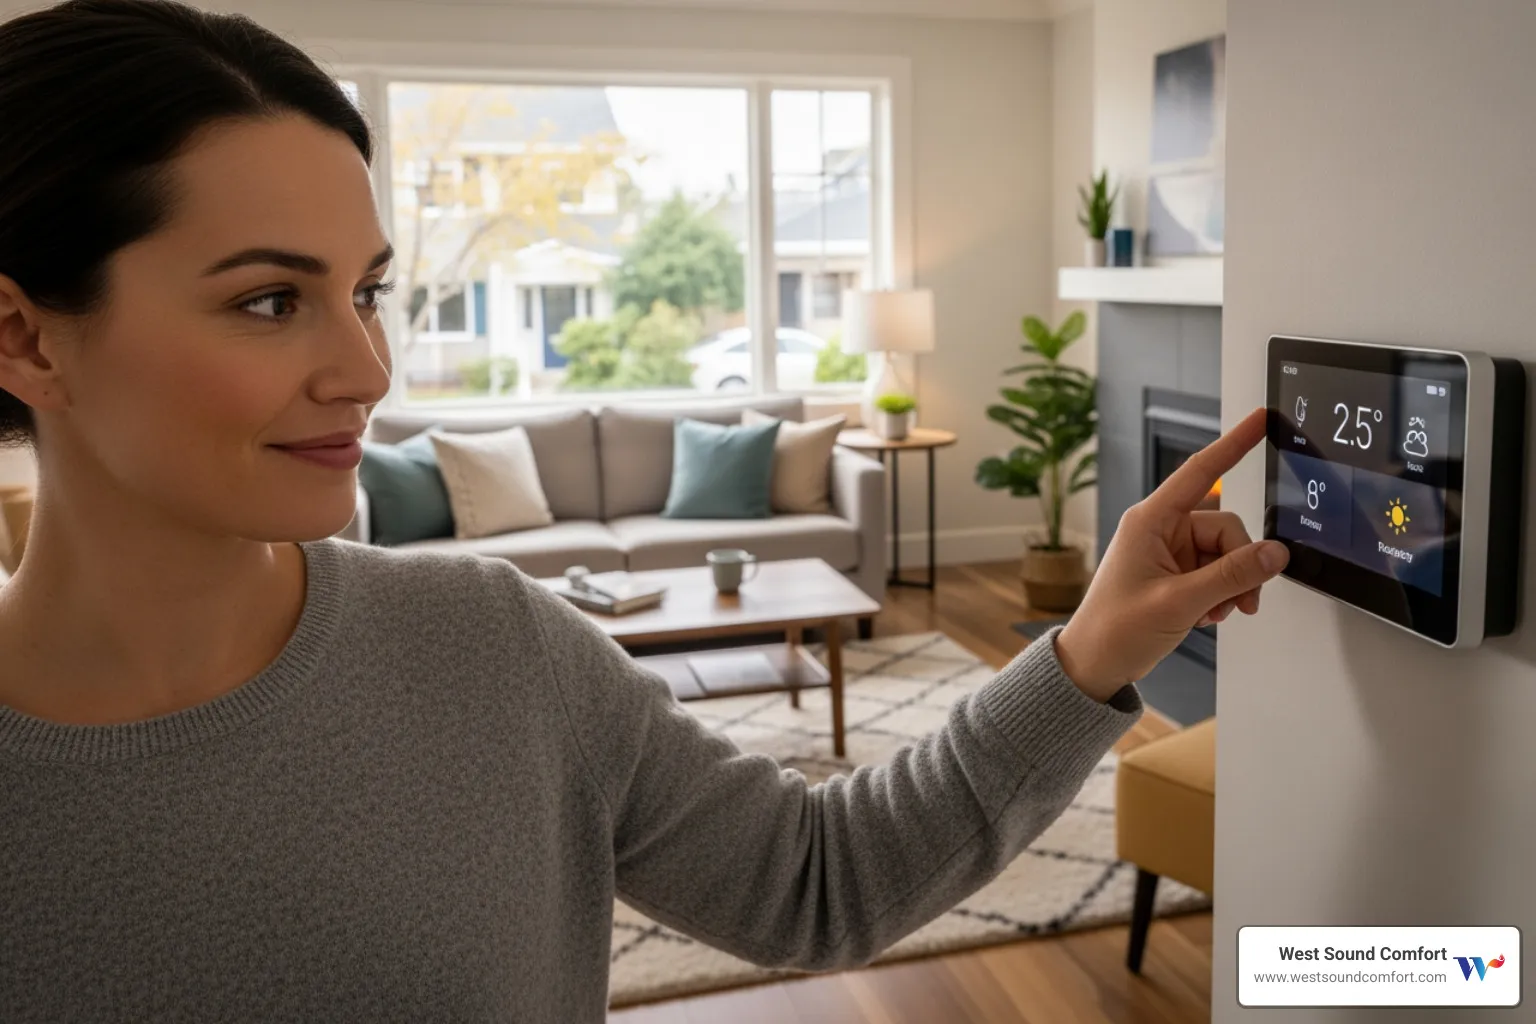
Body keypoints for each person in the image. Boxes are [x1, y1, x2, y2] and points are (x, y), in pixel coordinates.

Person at [0, 1, 1289, 1019]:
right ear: (27, 338)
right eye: (272, 300)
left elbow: (818, 883)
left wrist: (1093, 647)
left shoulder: (489, 646)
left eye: (369, 292)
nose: (368, 372)